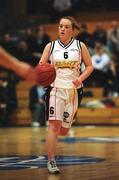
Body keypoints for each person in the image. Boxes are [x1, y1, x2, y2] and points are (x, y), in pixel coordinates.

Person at [0, 16, 93, 174]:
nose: (62, 29)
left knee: (63, 130)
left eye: (65, 26)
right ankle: (51, 161)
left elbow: (90, 66)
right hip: (55, 89)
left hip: (73, 91)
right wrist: (41, 71)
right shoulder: (50, 47)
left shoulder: (80, 46)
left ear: (72, 30)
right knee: (53, 126)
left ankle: (63, 132)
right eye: (60, 26)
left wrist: (80, 78)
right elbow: (40, 67)